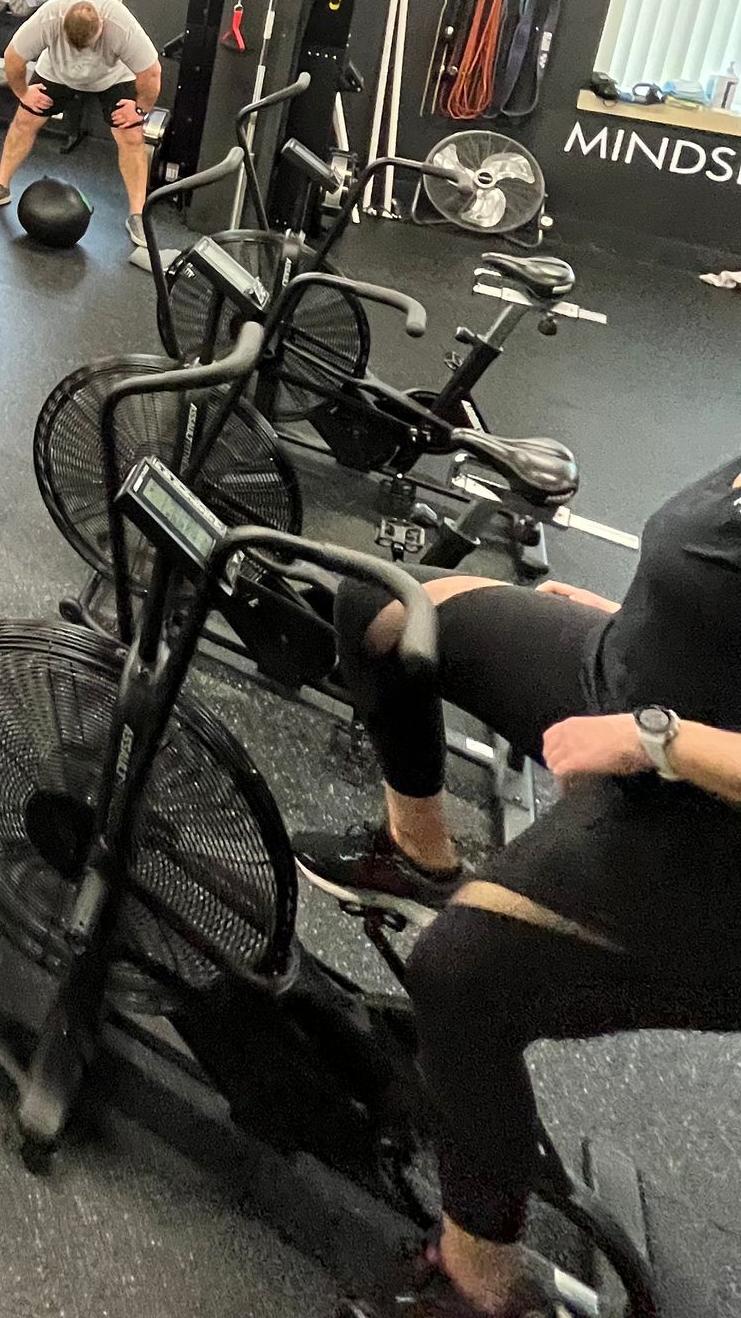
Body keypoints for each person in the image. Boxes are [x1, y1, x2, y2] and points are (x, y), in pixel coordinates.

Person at [294, 460, 741, 1318]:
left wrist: (656, 741)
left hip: (713, 841)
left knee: (459, 978)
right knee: (380, 609)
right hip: (632, 689)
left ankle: (482, 1277)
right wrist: (639, 626)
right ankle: (415, 857)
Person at [0, 0, 161, 253]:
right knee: (24, 121)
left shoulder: (120, 24)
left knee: (131, 136)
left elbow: (151, 73)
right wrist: (24, 93)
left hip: (114, 77)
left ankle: (137, 214)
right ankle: (0, 186)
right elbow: (13, 57)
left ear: (102, 27)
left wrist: (139, 111)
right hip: (57, 72)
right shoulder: (49, 18)